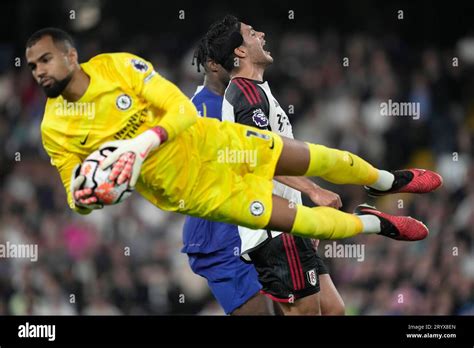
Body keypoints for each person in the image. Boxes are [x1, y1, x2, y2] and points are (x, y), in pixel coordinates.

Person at [26, 28, 442, 256]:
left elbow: (183, 111)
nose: (38, 71)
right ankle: (378, 223)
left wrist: (139, 145)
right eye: (31, 66)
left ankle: (386, 180)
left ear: (70, 55)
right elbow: (74, 195)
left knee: (319, 158)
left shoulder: (116, 67)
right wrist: (94, 193)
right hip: (198, 192)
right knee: (305, 223)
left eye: (45, 59)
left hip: (220, 143)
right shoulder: (54, 129)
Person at [201, 18, 347, 315]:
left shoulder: (257, 92)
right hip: (275, 228)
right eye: (252, 33)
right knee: (307, 313)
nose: (262, 34)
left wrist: (304, 215)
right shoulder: (245, 94)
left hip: (289, 221)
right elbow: (259, 157)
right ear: (239, 52)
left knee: (333, 310)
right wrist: (314, 191)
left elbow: (276, 157)